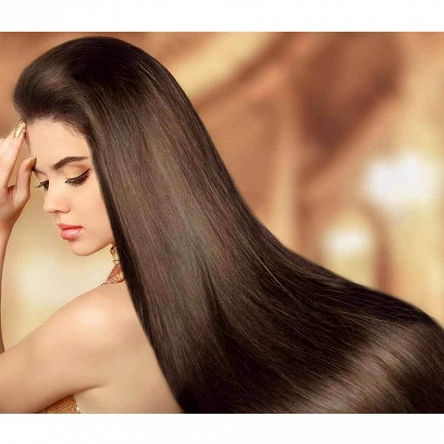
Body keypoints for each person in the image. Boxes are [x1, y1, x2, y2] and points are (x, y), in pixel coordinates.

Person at [0, 36, 443, 414]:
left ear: (141, 162)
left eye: (75, 175)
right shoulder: (226, 297)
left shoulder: (98, 324)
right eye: (43, 183)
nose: (51, 203)